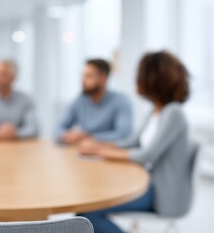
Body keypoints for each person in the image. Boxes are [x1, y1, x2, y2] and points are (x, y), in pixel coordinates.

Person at [77, 51, 193, 233]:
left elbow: (147, 155)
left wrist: (98, 152)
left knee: (87, 214)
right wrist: (97, 145)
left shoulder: (173, 113)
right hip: (148, 184)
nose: (137, 80)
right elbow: (133, 142)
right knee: (86, 206)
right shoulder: (156, 110)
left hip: (161, 195)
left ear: (153, 78)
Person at [57, 59, 133, 144]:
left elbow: (124, 134)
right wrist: (66, 135)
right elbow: (58, 128)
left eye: (89, 76)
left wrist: (90, 137)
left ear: (103, 78)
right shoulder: (79, 101)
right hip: (84, 151)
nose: (83, 80)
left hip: (109, 152)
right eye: (83, 76)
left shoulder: (121, 101)